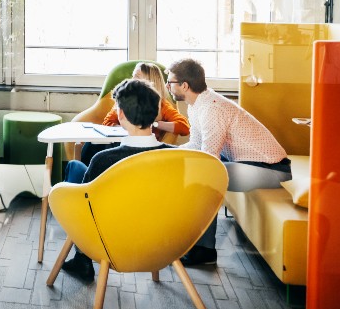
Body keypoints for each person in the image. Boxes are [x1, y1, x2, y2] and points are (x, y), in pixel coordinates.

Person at [167, 58, 291, 267]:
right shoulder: (197, 106)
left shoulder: (212, 108)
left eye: (170, 82)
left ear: (184, 86)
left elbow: (208, 159)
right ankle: (187, 241)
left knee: (206, 177)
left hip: (271, 169)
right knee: (200, 172)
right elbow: (196, 144)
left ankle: (204, 251)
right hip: (248, 165)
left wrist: (174, 160)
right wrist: (166, 153)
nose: (168, 86)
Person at [59, 78, 171, 281]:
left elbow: (85, 204)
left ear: (120, 114)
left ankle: (82, 257)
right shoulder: (175, 157)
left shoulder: (104, 159)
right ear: (156, 113)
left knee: (75, 168)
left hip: (110, 237)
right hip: (160, 238)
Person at [71, 62, 190, 165]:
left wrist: (155, 123)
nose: (133, 80)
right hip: (120, 143)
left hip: (144, 151)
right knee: (91, 146)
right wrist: (127, 126)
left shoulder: (161, 105)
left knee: (77, 163)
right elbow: (107, 122)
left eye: (137, 77)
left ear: (149, 82)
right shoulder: (124, 101)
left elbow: (184, 127)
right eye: (133, 76)